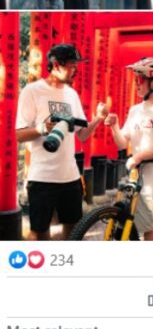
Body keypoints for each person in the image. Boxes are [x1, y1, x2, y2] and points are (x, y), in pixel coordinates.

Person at [15, 44, 107, 240]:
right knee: (39, 234)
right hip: (42, 178)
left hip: (70, 177)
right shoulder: (32, 91)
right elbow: (19, 135)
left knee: (74, 231)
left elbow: (81, 135)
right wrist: (42, 128)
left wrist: (98, 119)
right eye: (72, 66)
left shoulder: (71, 94)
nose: (76, 70)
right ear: (56, 65)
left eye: (76, 66)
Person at [104, 58, 153, 241]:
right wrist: (114, 127)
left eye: (140, 80)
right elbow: (122, 144)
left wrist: (139, 156)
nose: (137, 85)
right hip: (142, 185)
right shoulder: (135, 111)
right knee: (148, 232)